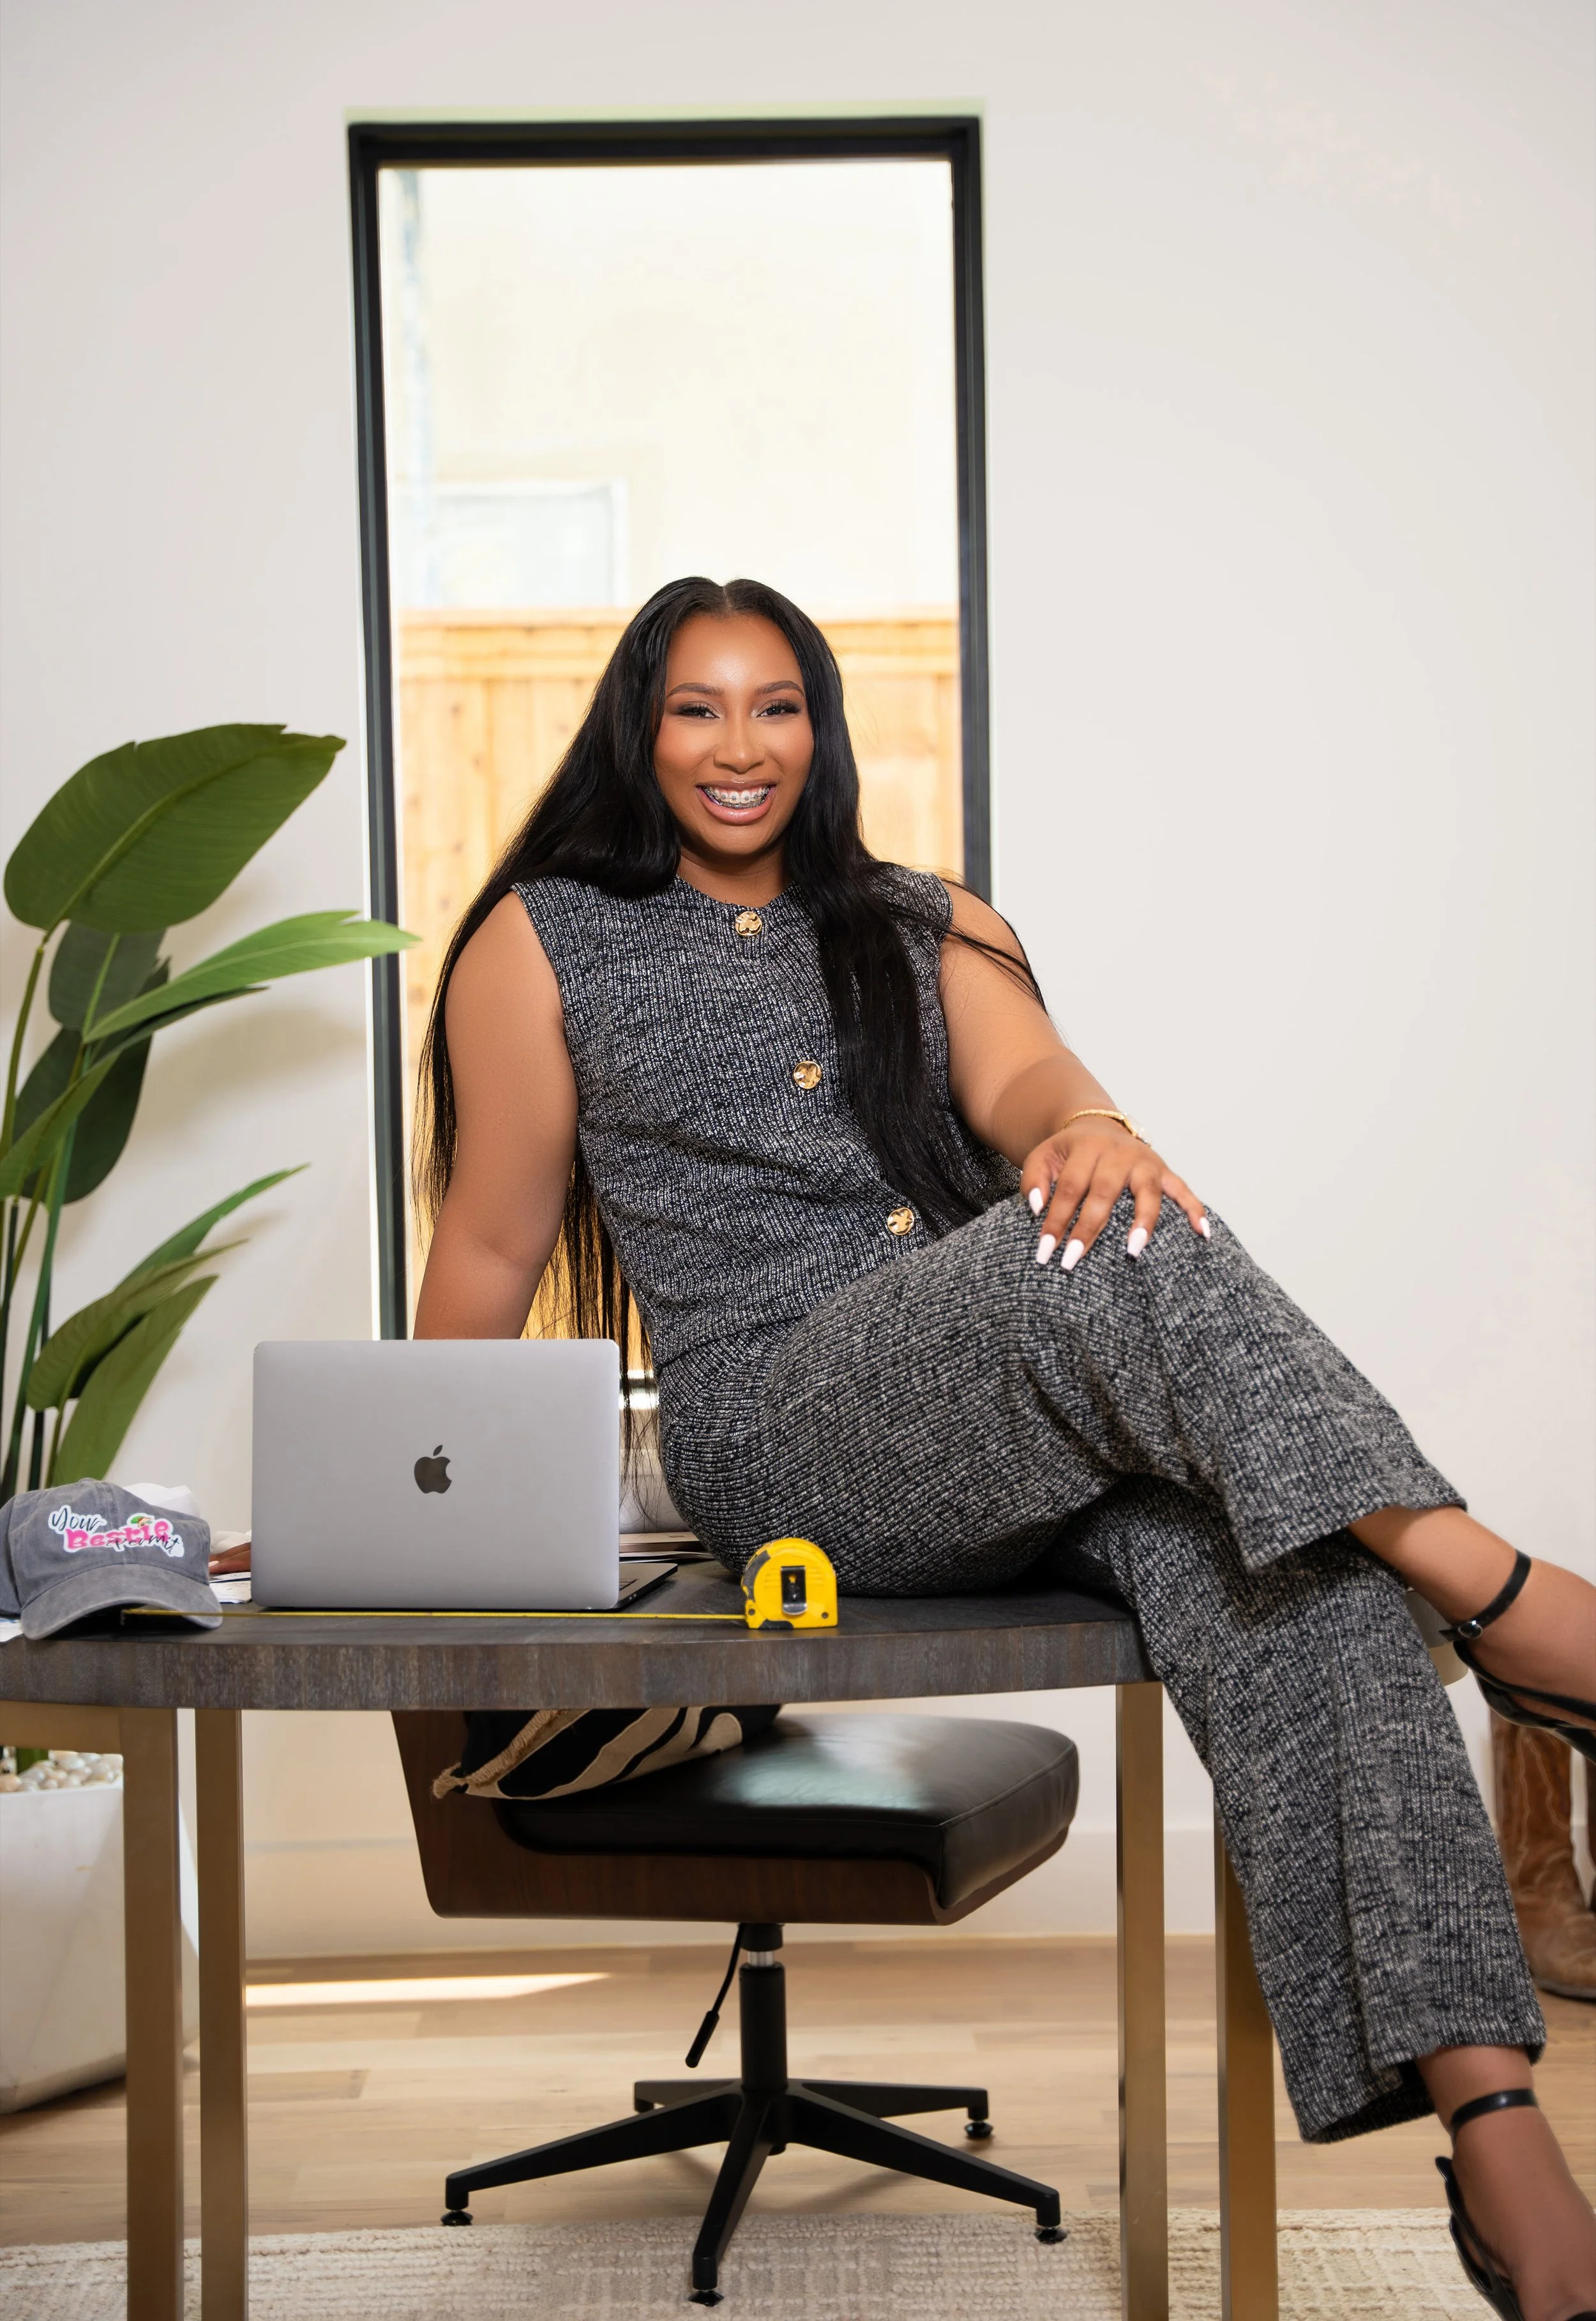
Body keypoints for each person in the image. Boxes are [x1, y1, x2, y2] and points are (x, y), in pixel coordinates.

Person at [412, 575, 1596, 2321]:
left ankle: (1505, 2152)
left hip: (1029, 1419)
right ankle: (1510, 1603)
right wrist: (414, 1488)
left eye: (775, 707)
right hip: (790, 1430)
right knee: (1093, 1252)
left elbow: (1041, 1091)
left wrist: (1092, 1127)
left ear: (820, 729)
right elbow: (494, 1251)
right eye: (695, 709)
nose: (739, 747)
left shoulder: (927, 918)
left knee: (1303, 1584)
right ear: (637, 731)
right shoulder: (545, 939)